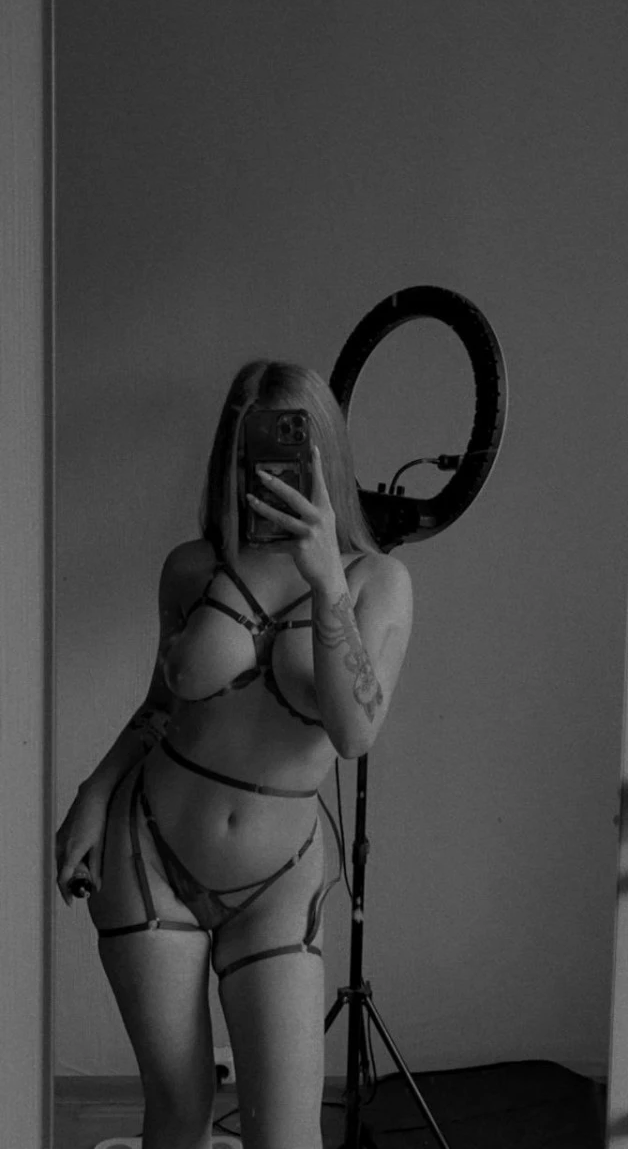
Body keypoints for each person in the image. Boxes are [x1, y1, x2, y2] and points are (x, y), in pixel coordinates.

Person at [56, 359, 414, 1149]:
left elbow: (355, 733)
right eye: (248, 454)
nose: (264, 473)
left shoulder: (376, 581)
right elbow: (160, 706)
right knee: (178, 1112)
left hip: (278, 883)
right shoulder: (190, 569)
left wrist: (325, 580)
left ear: (323, 459)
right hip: (147, 852)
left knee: (287, 1136)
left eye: (285, 453)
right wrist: (91, 793)